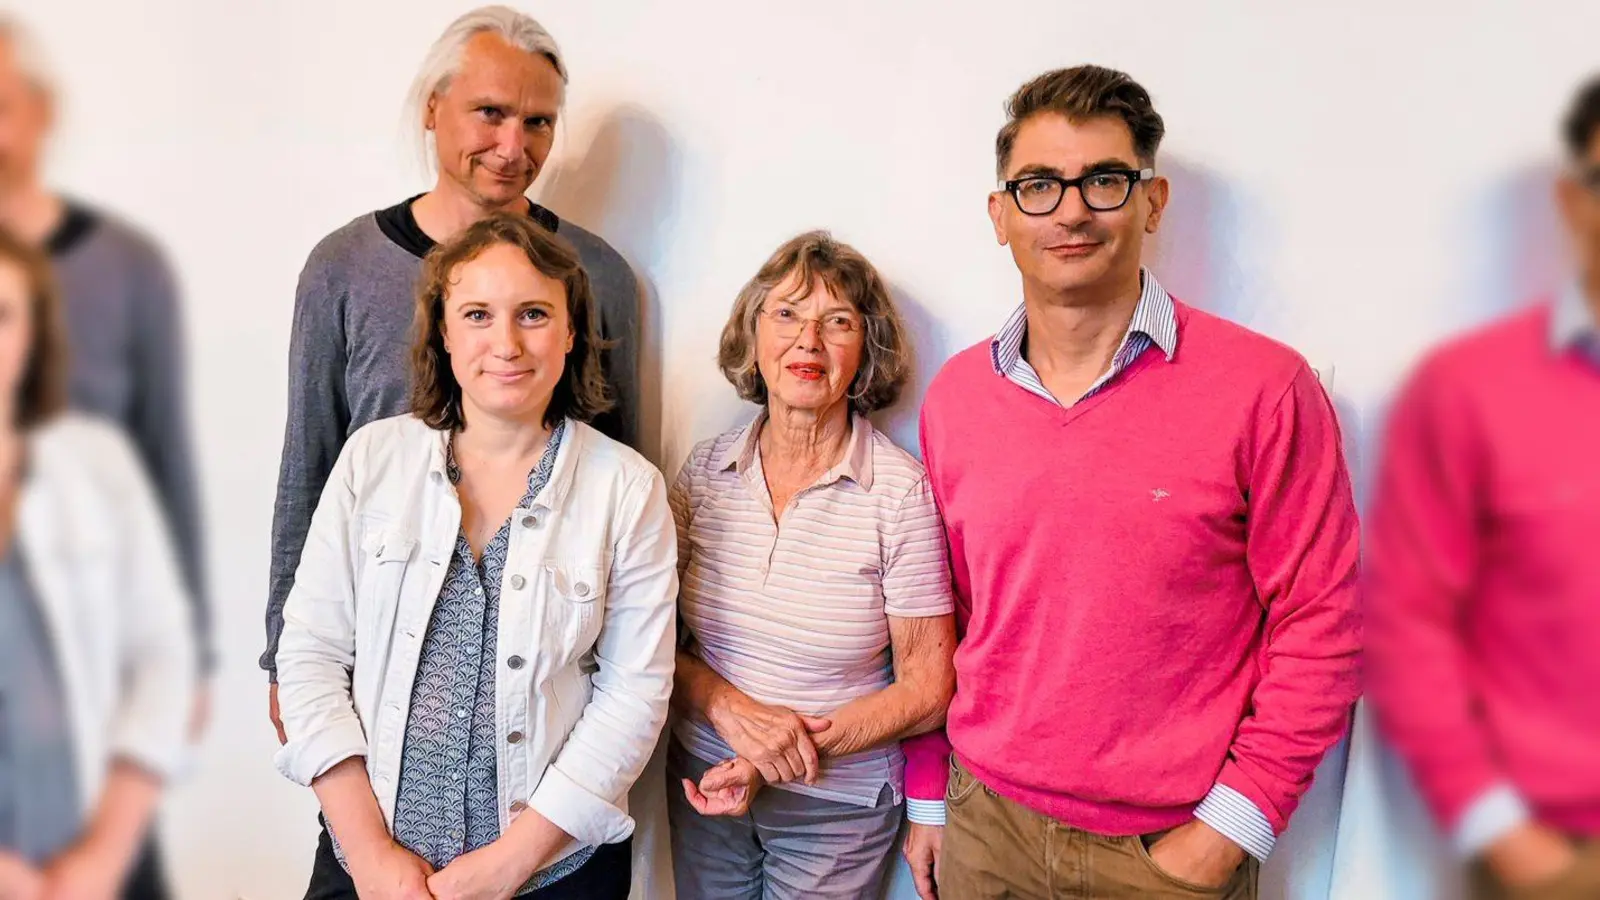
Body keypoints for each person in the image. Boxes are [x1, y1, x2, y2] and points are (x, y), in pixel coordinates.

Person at [899, 65, 1362, 899]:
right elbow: (950, 617)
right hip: (985, 830)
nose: (1071, 210)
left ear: (1152, 201)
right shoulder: (957, 398)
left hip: (1166, 853)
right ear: (1000, 216)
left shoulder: (1264, 389)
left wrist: (1228, 831)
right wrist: (933, 796)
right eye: (1039, 185)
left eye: (1103, 180)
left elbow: (1323, 623)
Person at [263, 5, 642, 741]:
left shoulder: (596, 274)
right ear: (434, 108)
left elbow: (621, 472)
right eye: (490, 113)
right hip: (377, 655)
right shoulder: (344, 269)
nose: (512, 145)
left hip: (544, 671)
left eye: (538, 122)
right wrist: (287, 653)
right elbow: (306, 464)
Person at [274, 212, 675, 900]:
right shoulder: (373, 459)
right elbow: (310, 653)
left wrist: (508, 865)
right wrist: (371, 856)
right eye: (479, 314)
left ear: (572, 330)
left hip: (554, 874)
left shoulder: (627, 489)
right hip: (367, 865)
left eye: (534, 314)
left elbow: (633, 696)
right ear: (443, 332)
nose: (507, 342)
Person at [665, 231, 956, 899]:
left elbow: (930, 686)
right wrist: (729, 708)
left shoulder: (900, 492)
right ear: (753, 333)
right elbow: (644, 635)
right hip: (701, 777)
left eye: (838, 321)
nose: (809, 341)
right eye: (787, 314)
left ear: (867, 348)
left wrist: (779, 754)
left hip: (838, 807)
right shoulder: (704, 473)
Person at [1367, 75, 1600, 900]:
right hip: (1565, 851)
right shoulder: (1469, 388)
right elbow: (1407, 622)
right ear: (1573, 202)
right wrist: (1504, 833)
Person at [0, 15, 209, 700]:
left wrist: (193, 652)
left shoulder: (126, 267)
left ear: (42, 113)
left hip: (95, 637)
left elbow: (166, 459)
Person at [0, 230, 195, 900]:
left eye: (2, 315)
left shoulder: (95, 465)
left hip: (90, 866)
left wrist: (103, 857)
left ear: (34, 336)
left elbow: (163, 657)